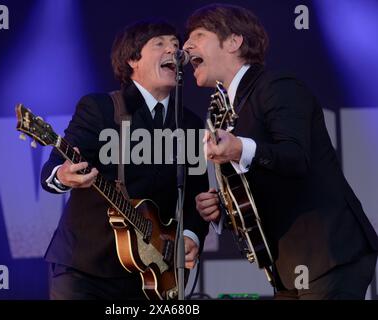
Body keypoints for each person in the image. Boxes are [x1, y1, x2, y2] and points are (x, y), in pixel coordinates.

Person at [184, 4, 378, 299]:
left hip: (328, 253)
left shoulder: (277, 86)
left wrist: (239, 149)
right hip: (287, 267)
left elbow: (295, 157)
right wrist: (222, 210)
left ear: (234, 42)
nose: (186, 45)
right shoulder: (226, 110)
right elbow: (259, 184)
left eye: (198, 34)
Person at [40, 19, 208, 300]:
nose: (173, 51)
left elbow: (197, 194)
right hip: (85, 268)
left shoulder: (189, 123)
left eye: (176, 46)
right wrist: (62, 175)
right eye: (160, 44)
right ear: (133, 59)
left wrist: (190, 236)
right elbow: (52, 169)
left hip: (151, 271)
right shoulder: (101, 109)